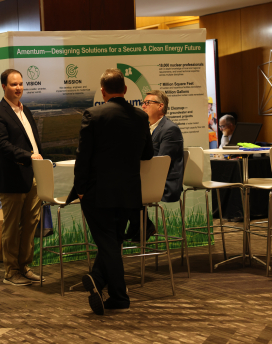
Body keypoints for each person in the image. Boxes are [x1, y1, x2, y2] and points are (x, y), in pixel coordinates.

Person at [73, 68, 154, 315]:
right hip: (129, 193)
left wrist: (80, 189)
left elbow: (83, 156)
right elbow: (147, 154)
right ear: (126, 90)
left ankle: (119, 296)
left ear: (102, 91)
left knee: (107, 243)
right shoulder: (141, 116)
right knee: (113, 241)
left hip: (99, 192)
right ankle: (97, 280)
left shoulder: (93, 115)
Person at [0, 69, 43, 286]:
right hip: (12, 178)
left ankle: (24, 266)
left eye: (20, 84)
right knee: (12, 227)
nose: (18, 88)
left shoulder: (25, 110)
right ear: (4, 87)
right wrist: (28, 156)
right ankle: (11, 272)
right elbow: (2, 145)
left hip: (33, 176)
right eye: (13, 85)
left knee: (30, 224)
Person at [125, 90, 185, 242]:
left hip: (163, 182)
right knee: (121, 185)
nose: (143, 106)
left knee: (125, 188)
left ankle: (142, 225)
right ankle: (141, 224)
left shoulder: (170, 129)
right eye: (142, 103)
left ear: (160, 106)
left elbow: (161, 163)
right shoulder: (146, 127)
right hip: (147, 177)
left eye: (147, 103)